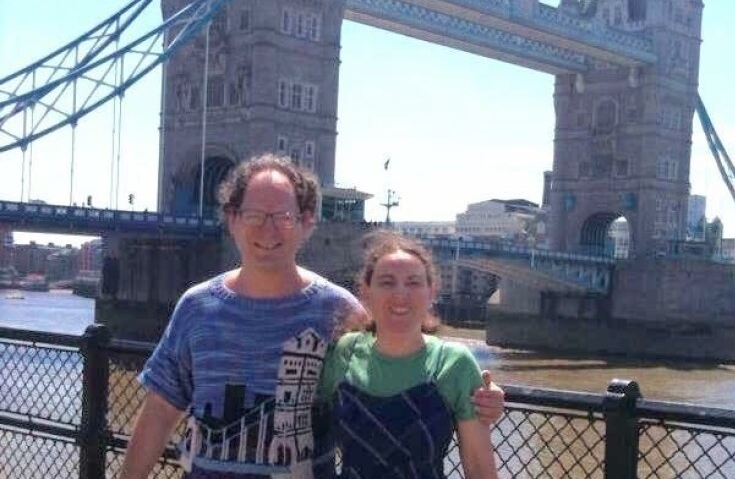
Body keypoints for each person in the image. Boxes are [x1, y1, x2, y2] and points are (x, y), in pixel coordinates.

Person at [120, 153, 503, 479]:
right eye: (254, 214)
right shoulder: (195, 306)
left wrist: (480, 399)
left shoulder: (338, 310)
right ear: (232, 218)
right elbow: (159, 413)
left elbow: (398, 360)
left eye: (283, 216)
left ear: (306, 222)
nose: (268, 229)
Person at [317, 231, 499, 479]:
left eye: (413, 282)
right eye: (387, 282)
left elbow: (480, 470)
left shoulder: (454, 363)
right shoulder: (343, 353)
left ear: (431, 292)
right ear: (366, 291)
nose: (400, 294)